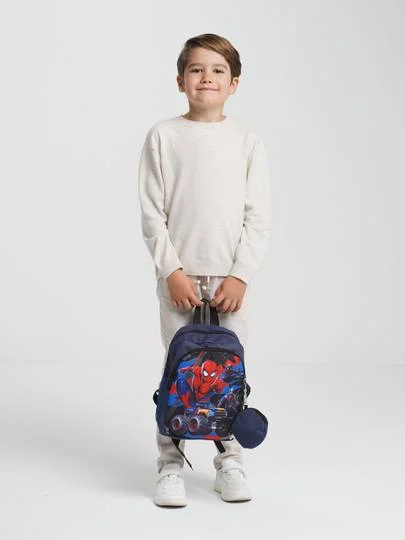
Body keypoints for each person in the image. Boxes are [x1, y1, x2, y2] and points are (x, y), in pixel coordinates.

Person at [137, 33, 271, 507]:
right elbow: (152, 213)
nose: (206, 77)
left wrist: (241, 274)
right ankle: (170, 465)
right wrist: (171, 270)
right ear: (181, 80)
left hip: (229, 279)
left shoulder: (246, 140)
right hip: (180, 278)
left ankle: (229, 461)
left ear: (234, 83)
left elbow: (258, 215)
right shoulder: (164, 136)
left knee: (227, 371)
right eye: (196, 69)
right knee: (178, 370)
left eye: (217, 70)